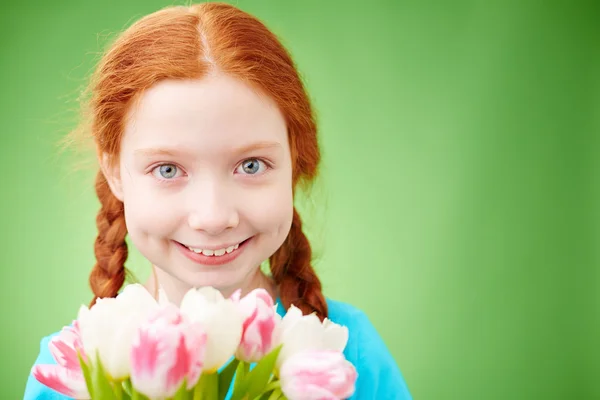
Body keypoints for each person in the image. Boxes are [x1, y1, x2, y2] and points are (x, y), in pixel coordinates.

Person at [23, 2, 412, 399]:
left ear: (295, 163)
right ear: (114, 173)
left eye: (251, 165)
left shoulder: (345, 353)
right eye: (168, 169)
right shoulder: (70, 370)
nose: (213, 217)